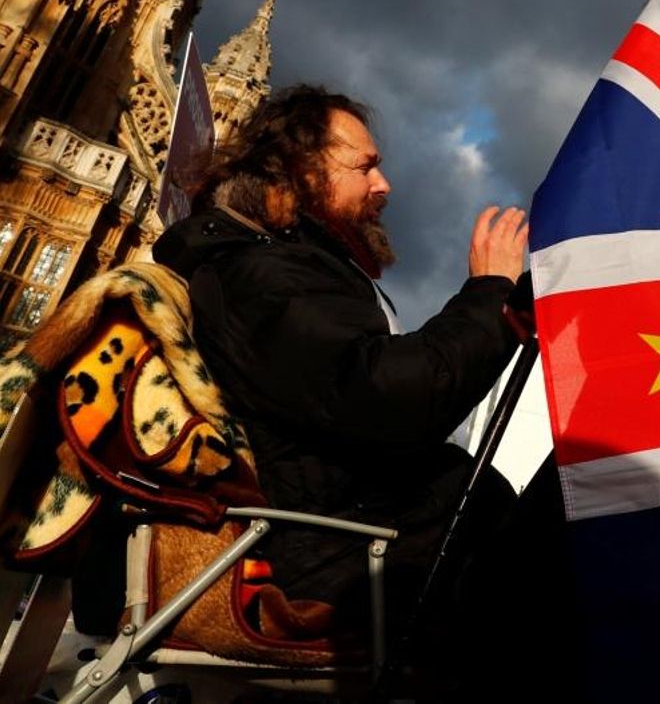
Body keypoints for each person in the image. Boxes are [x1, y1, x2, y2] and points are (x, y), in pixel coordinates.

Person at [153, 84, 530, 639]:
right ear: (301, 171)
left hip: (363, 534)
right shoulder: (261, 277)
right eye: (365, 167)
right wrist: (487, 296)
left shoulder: (287, 273)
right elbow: (390, 396)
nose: (384, 185)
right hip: (333, 554)